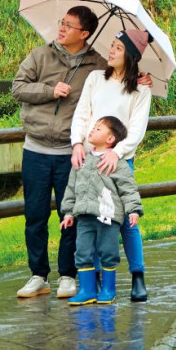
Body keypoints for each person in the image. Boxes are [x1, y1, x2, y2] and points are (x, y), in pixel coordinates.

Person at [10, 5, 106, 300]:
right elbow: (18, 88)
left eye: (69, 25)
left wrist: (140, 81)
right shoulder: (40, 55)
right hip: (36, 149)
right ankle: (38, 275)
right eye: (61, 22)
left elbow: (118, 84)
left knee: (71, 215)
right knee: (35, 215)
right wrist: (50, 90)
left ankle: (68, 275)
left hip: (72, 152)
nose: (61, 28)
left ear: (84, 34)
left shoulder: (98, 64)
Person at [70, 27, 154, 301]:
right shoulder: (96, 78)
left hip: (119, 161)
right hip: (90, 159)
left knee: (126, 220)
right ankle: (93, 279)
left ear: (130, 55)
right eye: (113, 46)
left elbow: (137, 128)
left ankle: (138, 275)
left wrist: (116, 153)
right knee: (91, 216)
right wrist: (78, 143)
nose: (112, 51)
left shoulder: (141, 89)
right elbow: (82, 114)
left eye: (118, 48)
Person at [59, 115, 142, 307]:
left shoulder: (117, 162)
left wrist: (133, 210)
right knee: (82, 252)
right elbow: (71, 188)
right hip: (84, 217)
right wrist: (69, 213)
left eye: (98, 129)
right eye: (93, 127)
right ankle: (87, 290)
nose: (92, 130)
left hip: (108, 217)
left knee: (108, 251)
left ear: (110, 139)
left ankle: (108, 289)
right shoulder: (82, 160)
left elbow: (128, 188)